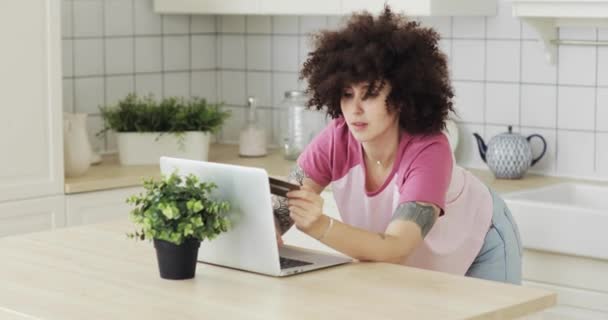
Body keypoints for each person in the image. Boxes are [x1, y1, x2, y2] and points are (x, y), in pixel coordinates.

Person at [272, 6, 523, 284]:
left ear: (402, 97)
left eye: (370, 94)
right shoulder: (337, 138)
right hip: (416, 256)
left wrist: (321, 225)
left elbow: (396, 247)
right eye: (346, 94)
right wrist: (271, 226)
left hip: (481, 244)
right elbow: (286, 201)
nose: (354, 109)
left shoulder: (429, 150)